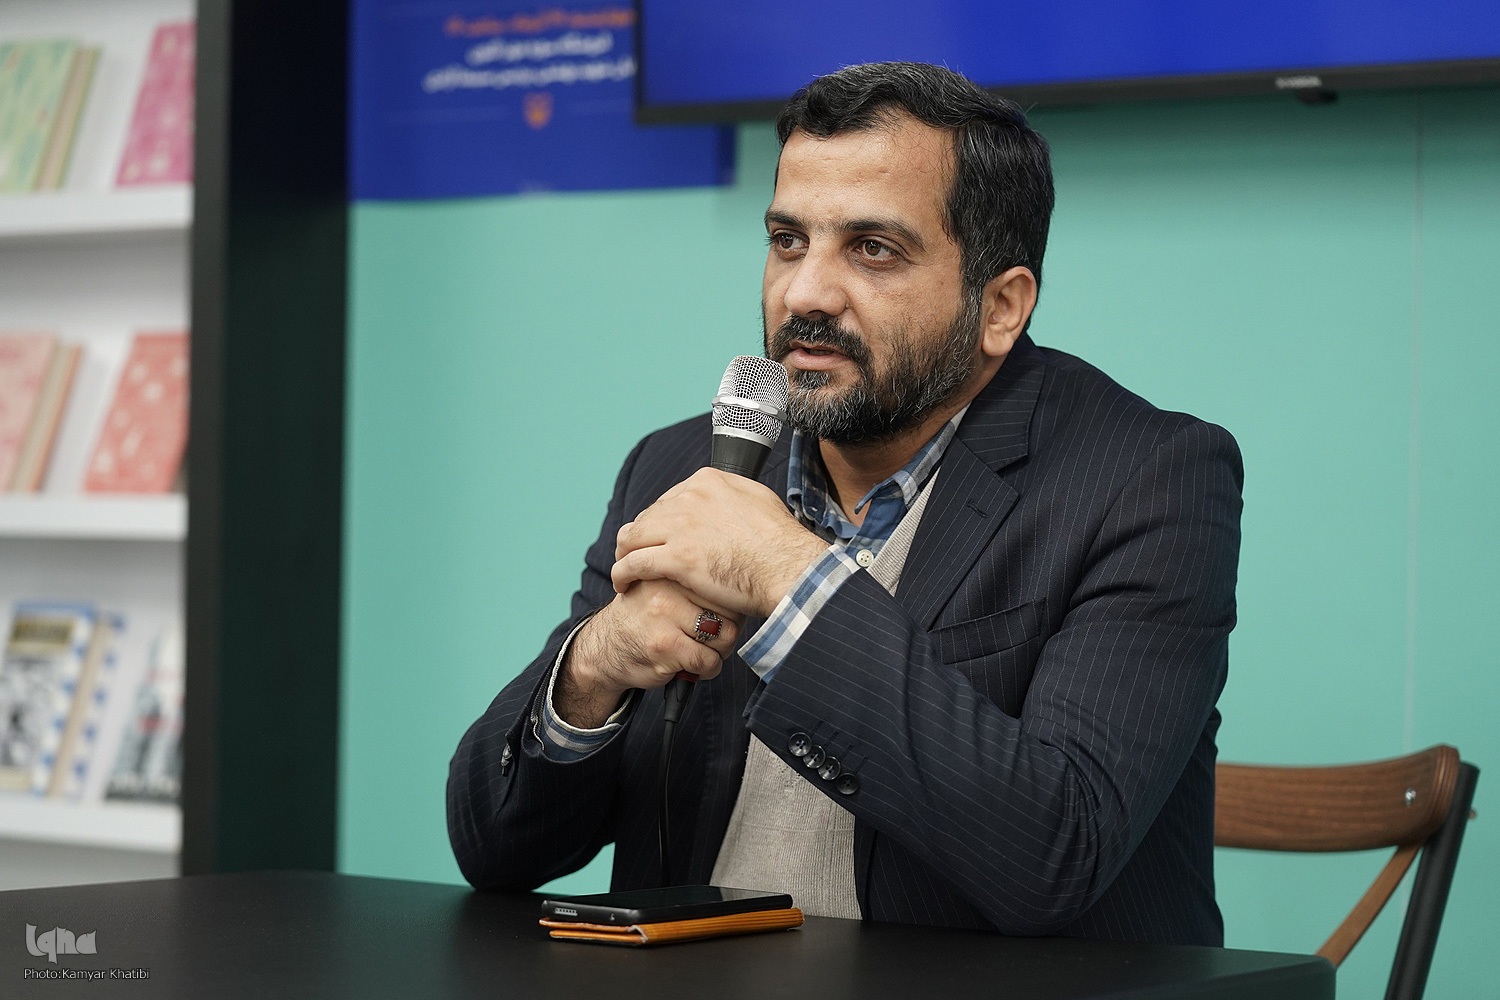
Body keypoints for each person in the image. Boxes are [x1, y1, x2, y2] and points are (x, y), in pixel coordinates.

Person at [447, 61, 1242, 946]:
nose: (804, 294)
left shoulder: (1148, 479)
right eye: (788, 240)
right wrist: (594, 670)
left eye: (873, 249)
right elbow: (492, 849)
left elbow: (1057, 854)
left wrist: (791, 578)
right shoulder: (684, 468)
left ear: (1001, 306)